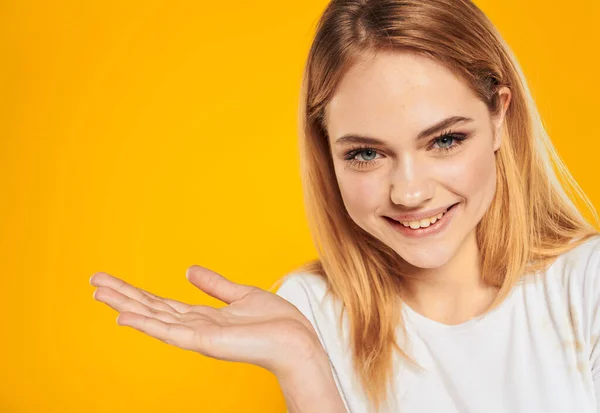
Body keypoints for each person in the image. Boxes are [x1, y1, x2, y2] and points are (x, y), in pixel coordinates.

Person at [90, 0, 600, 412]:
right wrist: (302, 366)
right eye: (366, 153)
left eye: (444, 141)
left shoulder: (587, 285)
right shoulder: (306, 313)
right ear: (327, 151)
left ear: (498, 119)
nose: (409, 192)